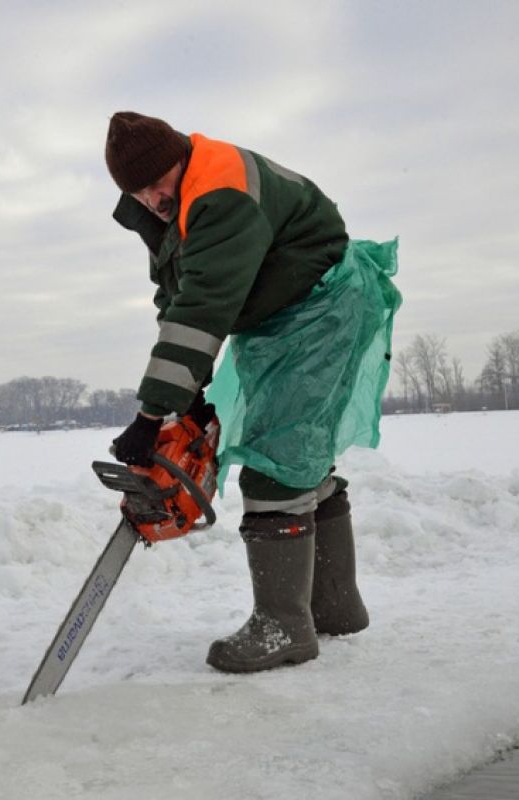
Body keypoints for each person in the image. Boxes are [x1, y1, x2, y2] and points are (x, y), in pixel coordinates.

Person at [103, 111, 400, 673]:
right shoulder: (176, 205)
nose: (151, 198)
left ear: (178, 160)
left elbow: (203, 307)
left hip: (320, 308)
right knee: (296, 455)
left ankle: (283, 627)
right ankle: (335, 607)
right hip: (285, 317)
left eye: (157, 182)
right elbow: (179, 298)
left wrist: (152, 415)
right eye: (137, 192)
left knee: (275, 464)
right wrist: (184, 397)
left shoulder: (218, 192)